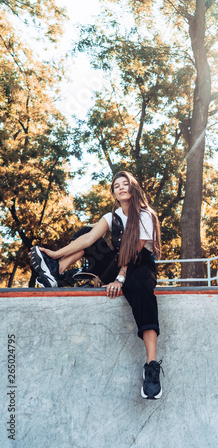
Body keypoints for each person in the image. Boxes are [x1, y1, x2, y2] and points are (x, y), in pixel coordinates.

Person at [30, 171, 163, 400]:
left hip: (140, 266)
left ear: (133, 188)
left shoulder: (145, 215)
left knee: (140, 289)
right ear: (113, 193)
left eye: (125, 184)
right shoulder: (111, 217)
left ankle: (151, 367)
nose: (121, 188)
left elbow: (134, 251)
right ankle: (56, 270)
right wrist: (55, 253)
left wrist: (120, 279)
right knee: (86, 231)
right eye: (116, 186)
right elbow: (88, 240)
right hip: (117, 263)